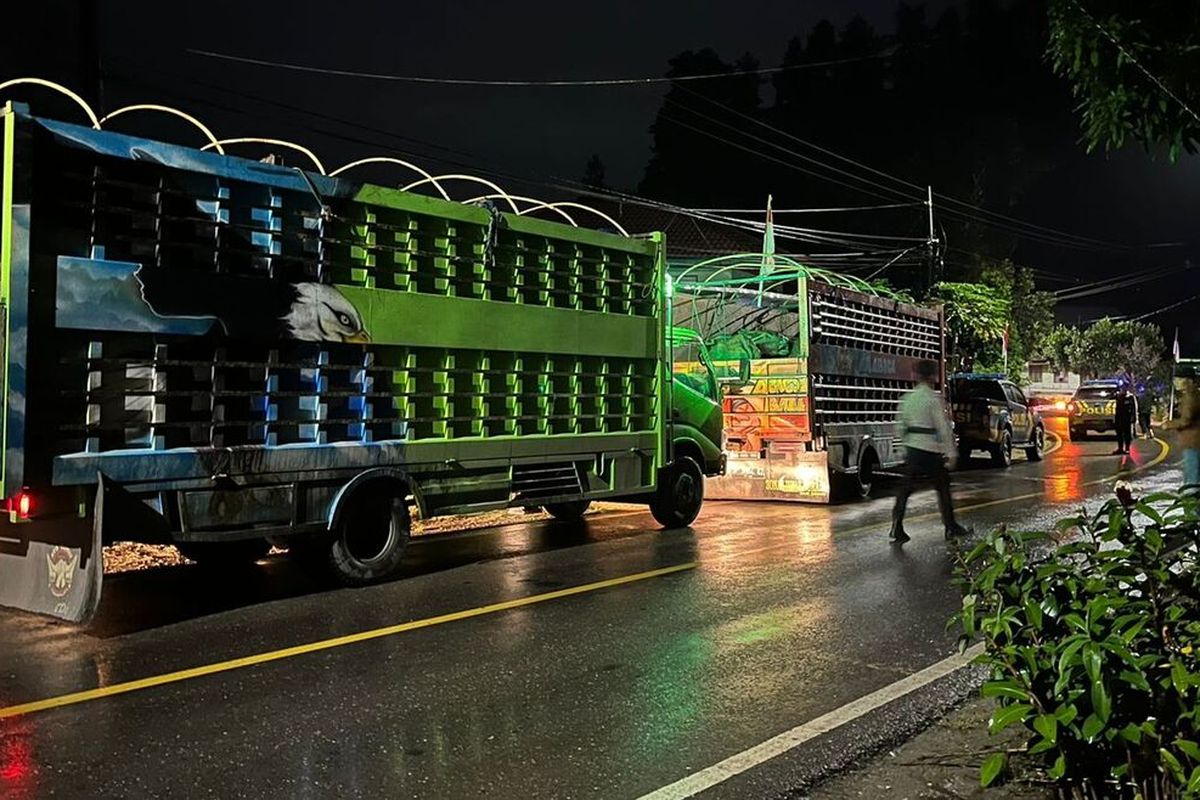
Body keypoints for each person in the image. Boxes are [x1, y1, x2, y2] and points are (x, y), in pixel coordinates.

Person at [889, 360, 971, 543]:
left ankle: (896, 525)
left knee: (905, 490)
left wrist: (902, 449)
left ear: (917, 376)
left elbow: (900, 427)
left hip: (913, 450)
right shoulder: (933, 400)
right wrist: (951, 454)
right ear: (932, 377)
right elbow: (943, 429)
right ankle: (950, 527)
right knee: (943, 488)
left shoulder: (907, 399)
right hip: (930, 451)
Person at [1163, 368, 1200, 488]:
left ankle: (1192, 506)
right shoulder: (1193, 395)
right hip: (1193, 443)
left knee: (1192, 481)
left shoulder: (1190, 396)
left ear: (1188, 381)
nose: (1175, 382)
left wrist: (1169, 424)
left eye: (1178, 379)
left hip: (1194, 443)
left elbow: (1186, 420)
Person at [1113, 385, 1136, 455]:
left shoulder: (1130, 397)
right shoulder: (1118, 397)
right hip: (1119, 418)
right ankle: (1120, 448)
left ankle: (1127, 449)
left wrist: (1134, 418)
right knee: (1119, 434)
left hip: (1127, 419)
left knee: (1127, 434)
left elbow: (1133, 409)